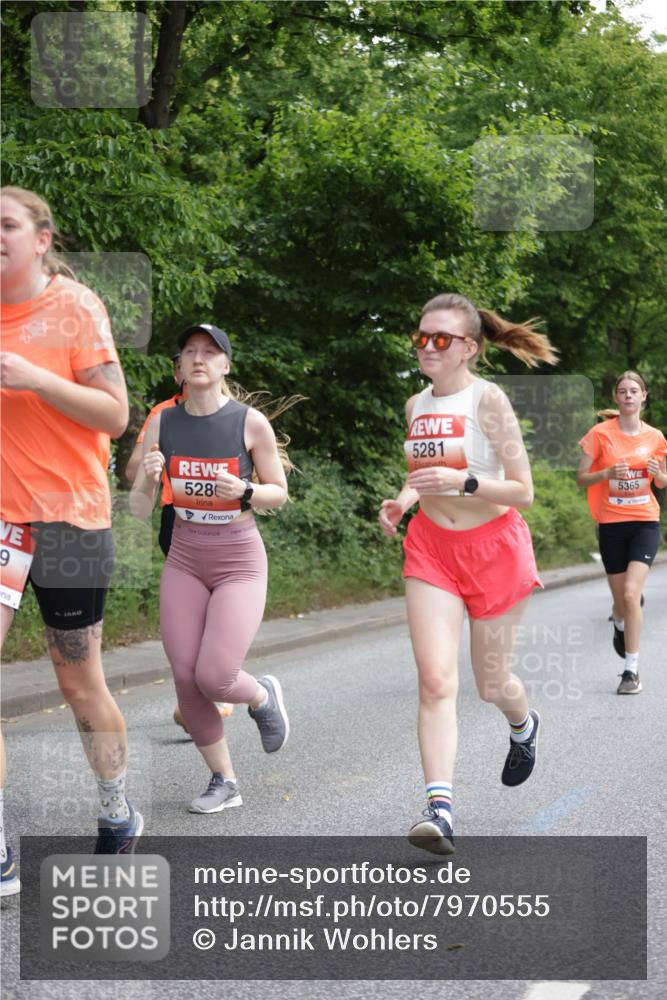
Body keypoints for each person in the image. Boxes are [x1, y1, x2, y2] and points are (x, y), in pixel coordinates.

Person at [379, 292, 558, 856]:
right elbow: (424, 472)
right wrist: (404, 499)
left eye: (441, 339)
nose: (427, 346)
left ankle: (523, 724)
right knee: (435, 681)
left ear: (470, 349)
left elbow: (523, 491)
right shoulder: (414, 405)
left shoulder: (490, 401)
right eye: (421, 337)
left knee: (490, 684)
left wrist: (466, 484)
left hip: (495, 550)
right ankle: (440, 810)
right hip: (431, 549)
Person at [0, 186, 143, 895]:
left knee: (77, 680)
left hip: (70, 517)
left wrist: (31, 378)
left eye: (6, 224)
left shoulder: (74, 307)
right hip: (0, 520)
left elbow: (115, 414)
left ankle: (116, 805)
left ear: (42, 238)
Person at [130, 323, 290, 813]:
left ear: (225, 366)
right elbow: (138, 509)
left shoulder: (249, 423)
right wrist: (147, 478)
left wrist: (242, 491)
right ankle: (224, 781)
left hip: (238, 557)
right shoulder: (163, 424)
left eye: (210, 352)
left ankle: (260, 694)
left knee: (216, 675)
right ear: (178, 368)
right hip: (184, 554)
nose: (198, 359)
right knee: (185, 676)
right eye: (189, 353)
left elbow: (277, 495)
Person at [124, 354, 232, 735]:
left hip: (227, 523)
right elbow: (134, 469)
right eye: (184, 361)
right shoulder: (162, 415)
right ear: (177, 374)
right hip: (178, 518)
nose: (194, 366)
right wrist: (155, 464)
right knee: (191, 610)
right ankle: (199, 696)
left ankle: (210, 685)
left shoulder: (228, 412)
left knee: (222, 609)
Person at [577, 372, 667, 694]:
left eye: (634, 391)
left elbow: (662, 483)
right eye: (622, 391)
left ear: (644, 396)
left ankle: (631, 671)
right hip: (612, 525)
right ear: (617, 398)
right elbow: (581, 478)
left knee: (631, 593)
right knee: (621, 600)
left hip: (644, 522)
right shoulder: (600, 434)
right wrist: (606, 472)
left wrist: (659, 476)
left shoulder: (656, 437)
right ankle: (619, 622)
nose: (628, 395)